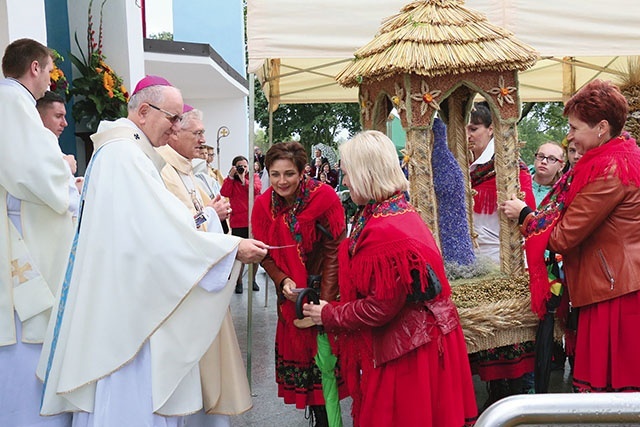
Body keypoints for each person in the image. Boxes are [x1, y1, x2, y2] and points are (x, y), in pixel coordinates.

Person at [37, 75, 268, 426]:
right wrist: (231, 247)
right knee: (130, 398)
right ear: (144, 111)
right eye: (173, 119)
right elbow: (162, 231)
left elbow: (160, 225)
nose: (176, 129)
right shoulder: (124, 156)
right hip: (128, 308)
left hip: (128, 295)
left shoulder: (127, 152)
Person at [302, 130, 477, 427]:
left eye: (347, 174)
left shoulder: (386, 229)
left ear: (365, 174)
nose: (343, 181)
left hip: (409, 351)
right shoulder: (389, 211)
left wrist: (329, 314)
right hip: (416, 341)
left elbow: (380, 307)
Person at [501, 79, 640, 394]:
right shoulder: (617, 156)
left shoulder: (608, 170)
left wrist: (528, 217)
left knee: (614, 395)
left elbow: (562, 238)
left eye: (576, 127)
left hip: (612, 291)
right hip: (613, 283)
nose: (570, 135)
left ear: (601, 127)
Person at [157, 105, 252, 426]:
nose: (202, 140)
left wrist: (214, 214)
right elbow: (174, 231)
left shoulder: (187, 170)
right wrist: (212, 214)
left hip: (205, 287)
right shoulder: (162, 171)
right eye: (196, 133)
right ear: (175, 133)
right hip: (185, 293)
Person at [0, 38, 76, 427]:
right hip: (21, 234)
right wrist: (65, 174)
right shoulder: (13, 102)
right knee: (25, 327)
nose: (49, 78)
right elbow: (33, 174)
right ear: (34, 67)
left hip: (20, 226)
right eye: (48, 69)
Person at [251, 141, 347, 426]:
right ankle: (319, 419)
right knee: (307, 374)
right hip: (290, 300)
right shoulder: (262, 205)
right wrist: (281, 281)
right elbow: (264, 254)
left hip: (322, 294)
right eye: (275, 174)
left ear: (303, 171)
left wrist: (323, 305)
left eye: (289, 174)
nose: (282, 181)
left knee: (326, 369)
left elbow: (334, 250)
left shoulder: (324, 197)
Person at [466, 102, 537, 407]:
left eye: (474, 128)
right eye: (466, 129)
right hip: (476, 264)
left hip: (507, 261)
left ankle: (522, 403)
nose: (469, 135)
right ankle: (496, 398)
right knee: (486, 343)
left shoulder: (510, 168)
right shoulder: (463, 167)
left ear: (491, 129)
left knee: (512, 340)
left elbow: (528, 212)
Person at [220, 155, 262, 293]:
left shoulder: (253, 177)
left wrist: (244, 179)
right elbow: (224, 192)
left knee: (255, 252)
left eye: (244, 166)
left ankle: (253, 280)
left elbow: (256, 190)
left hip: (253, 220)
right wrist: (231, 177)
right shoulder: (231, 180)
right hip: (238, 222)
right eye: (239, 166)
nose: (242, 168)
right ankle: (238, 282)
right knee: (239, 254)